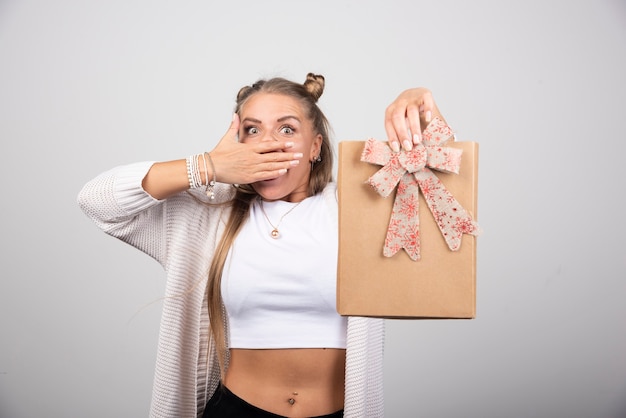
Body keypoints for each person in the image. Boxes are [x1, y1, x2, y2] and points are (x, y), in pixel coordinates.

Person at [77, 73, 446, 418]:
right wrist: (207, 166)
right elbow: (97, 200)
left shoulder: (360, 205)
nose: (268, 144)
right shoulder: (209, 213)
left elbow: (442, 196)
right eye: (252, 131)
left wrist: (419, 107)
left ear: (315, 146)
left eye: (287, 128)